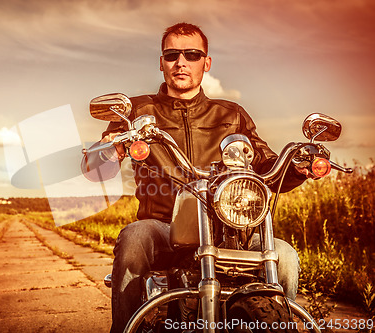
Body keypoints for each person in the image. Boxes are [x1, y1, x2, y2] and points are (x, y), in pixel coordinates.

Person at [82, 22, 308, 333]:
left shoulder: (231, 115)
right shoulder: (137, 112)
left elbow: (266, 166)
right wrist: (112, 150)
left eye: (191, 54)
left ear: (206, 62)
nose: (181, 62)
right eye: (172, 54)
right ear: (161, 63)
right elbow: (94, 167)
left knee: (285, 256)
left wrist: (296, 165)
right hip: (163, 226)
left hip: (228, 230)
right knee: (133, 239)